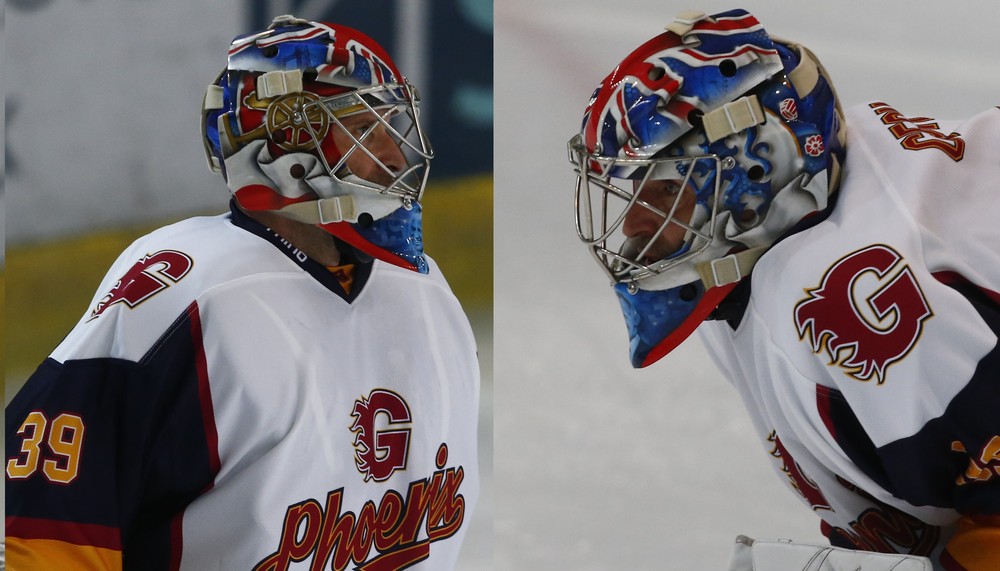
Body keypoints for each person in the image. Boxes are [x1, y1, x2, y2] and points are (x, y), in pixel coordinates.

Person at [5, 15, 480, 570]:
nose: (396, 158)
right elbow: (47, 531)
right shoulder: (184, 291)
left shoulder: (428, 292)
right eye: (365, 130)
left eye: (393, 126)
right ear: (288, 143)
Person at [568, 8, 998, 571]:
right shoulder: (757, 261)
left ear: (755, 168)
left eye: (662, 190)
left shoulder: (865, 307)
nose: (632, 227)